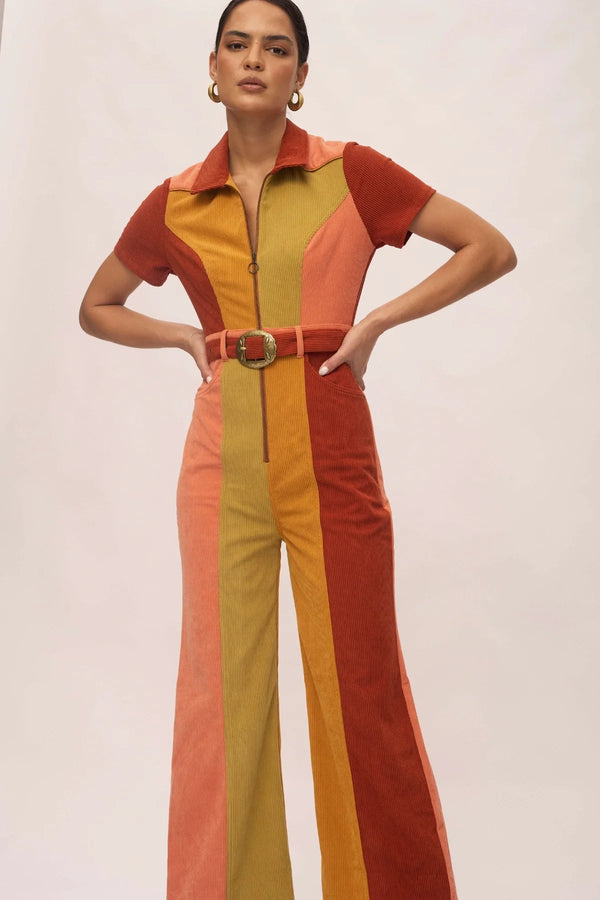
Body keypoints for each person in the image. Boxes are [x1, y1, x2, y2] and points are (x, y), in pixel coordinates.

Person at [79, 1, 517, 897]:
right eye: (238, 45)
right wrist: (181, 337)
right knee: (221, 701)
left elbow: (488, 248)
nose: (255, 59)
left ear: (300, 76)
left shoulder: (351, 173)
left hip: (332, 448)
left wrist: (379, 320)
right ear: (213, 66)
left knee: (359, 688)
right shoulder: (175, 201)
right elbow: (98, 305)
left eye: (276, 48)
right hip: (220, 464)